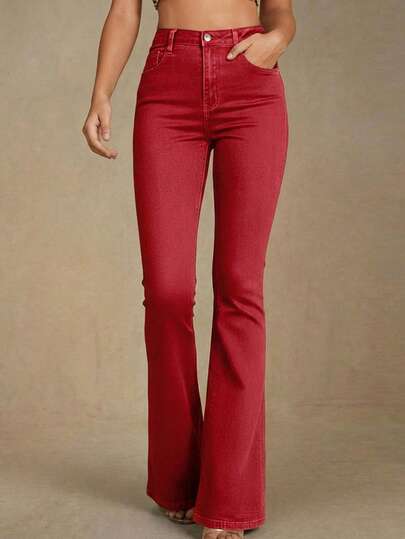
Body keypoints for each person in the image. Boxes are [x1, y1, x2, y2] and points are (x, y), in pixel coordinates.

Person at [82, 0, 296, 537]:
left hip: (251, 86)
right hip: (168, 81)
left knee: (240, 287)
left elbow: (281, 10)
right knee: (167, 292)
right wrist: (101, 92)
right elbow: (125, 10)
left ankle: (229, 500)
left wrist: (276, 41)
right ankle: (178, 479)